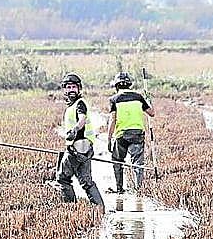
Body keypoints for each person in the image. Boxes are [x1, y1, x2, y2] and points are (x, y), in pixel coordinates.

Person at [54, 73, 103, 207]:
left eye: (73, 87)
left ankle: (71, 207)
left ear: (79, 88)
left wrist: (74, 130)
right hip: (85, 149)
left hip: (77, 148)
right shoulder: (73, 105)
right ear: (64, 90)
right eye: (68, 87)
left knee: (62, 179)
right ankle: (100, 208)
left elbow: (82, 119)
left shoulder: (80, 104)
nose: (71, 90)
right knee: (87, 182)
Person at [105, 72, 155, 194]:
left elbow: (112, 120)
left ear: (116, 86)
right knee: (138, 163)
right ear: (129, 85)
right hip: (137, 134)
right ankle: (139, 190)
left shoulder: (114, 99)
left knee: (117, 161)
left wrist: (109, 138)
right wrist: (149, 100)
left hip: (121, 135)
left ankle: (119, 188)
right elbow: (152, 113)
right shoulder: (139, 97)